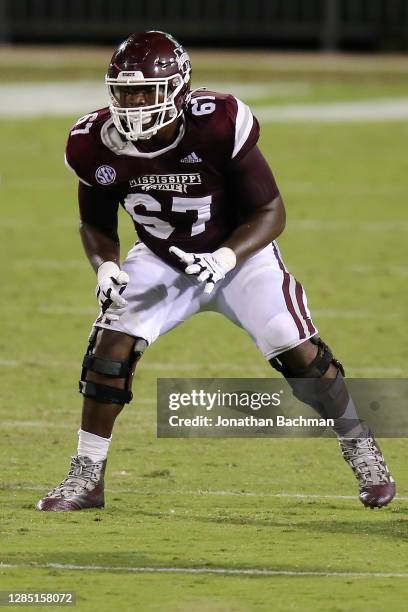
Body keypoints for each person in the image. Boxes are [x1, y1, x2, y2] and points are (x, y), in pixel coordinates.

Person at [37, 31, 395, 512]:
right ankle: (87, 475)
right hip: (164, 257)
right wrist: (104, 267)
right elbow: (95, 223)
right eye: (125, 90)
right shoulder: (92, 142)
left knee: (297, 349)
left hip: (239, 256)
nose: (135, 102)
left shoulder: (218, 123)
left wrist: (226, 257)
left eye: (147, 90)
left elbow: (270, 212)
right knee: (110, 346)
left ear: (179, 89)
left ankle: (360, 445)